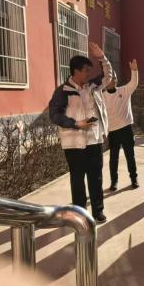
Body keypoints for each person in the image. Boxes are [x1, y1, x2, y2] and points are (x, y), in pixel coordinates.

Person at [48, 43, 112, 224]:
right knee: (77, 180)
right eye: (86, 71)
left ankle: (98, 211)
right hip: (74, 144)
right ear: (75, 71)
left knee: (96, 178)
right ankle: (80, 214)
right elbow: (54, 115)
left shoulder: (93, 86)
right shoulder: (63, 92)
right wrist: (76, 124)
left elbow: (109, 76)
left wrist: (102, 58)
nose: (88, 74)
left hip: (94, 141)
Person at [103, 59, 140, 192]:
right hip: (112, 131)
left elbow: (133, 83)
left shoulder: (124, 91)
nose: (113, 80)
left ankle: (134, 179)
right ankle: (114, 182)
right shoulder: (102, 96)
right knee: (113, 158)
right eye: (110, 78)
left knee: (130, 156)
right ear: (105, 80)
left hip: (126, 129)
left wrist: (134, 71)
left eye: (114, 78)